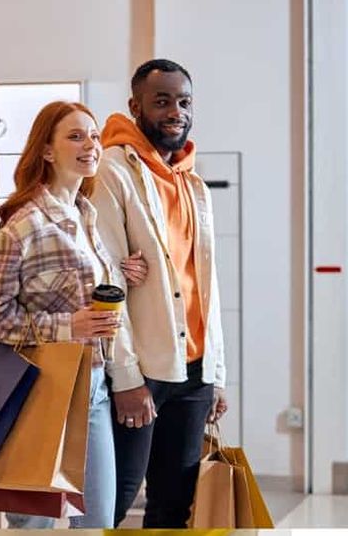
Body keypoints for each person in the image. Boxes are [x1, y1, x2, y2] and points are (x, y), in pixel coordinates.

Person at [0, 101, 147, 529]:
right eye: (75, 136)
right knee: (34, 524)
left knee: (98, 520)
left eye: (93, 135)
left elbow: (76, 285)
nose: (91, 144)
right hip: (39, 391)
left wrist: (122, 272)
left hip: (93, 389)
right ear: (47, 151)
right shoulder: (24, 225)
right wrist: (70, 325)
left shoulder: (87, 216)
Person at [90, 59, 228, 528]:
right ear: (136, 107)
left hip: (192, 371)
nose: (176, 111)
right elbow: (106, 283)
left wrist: (216, 370)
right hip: (143, 370)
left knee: (174, 503)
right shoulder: (113, 170)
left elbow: (205, 282)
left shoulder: (192, 181)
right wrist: (126, 377)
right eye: (162, 101)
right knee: (116, 497)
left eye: (184, 102)